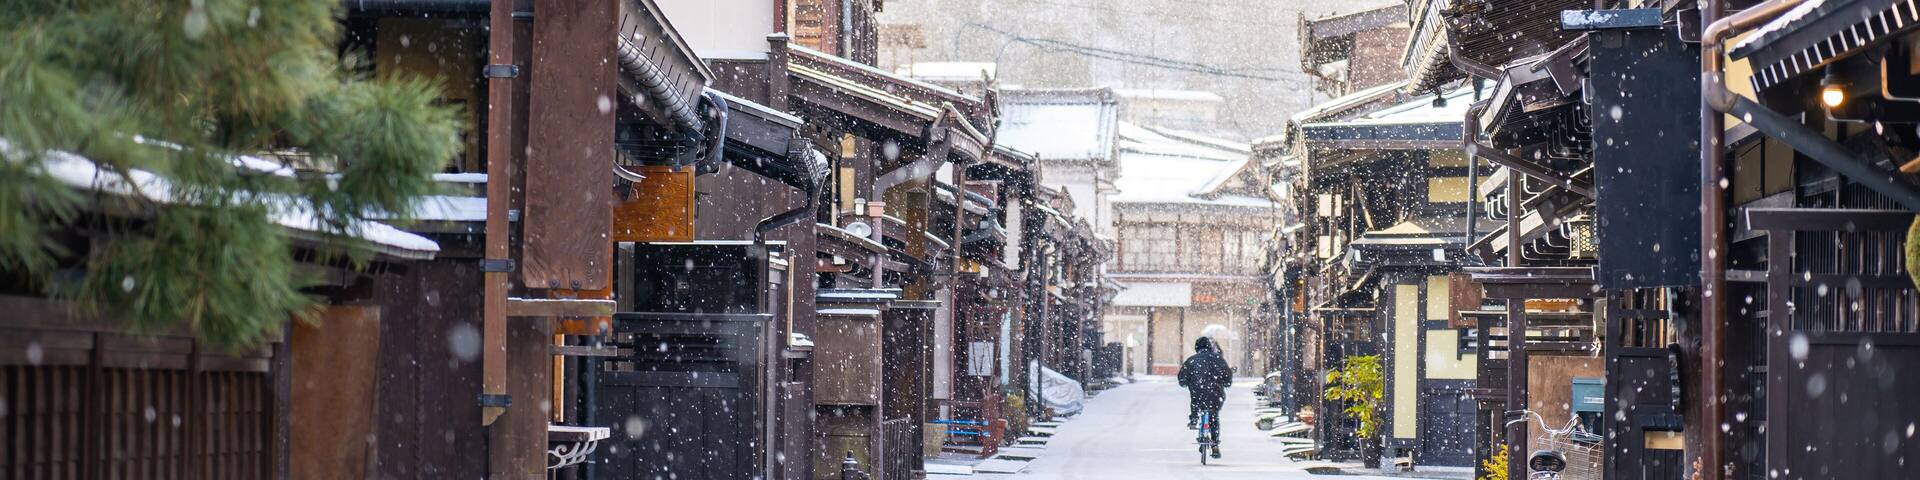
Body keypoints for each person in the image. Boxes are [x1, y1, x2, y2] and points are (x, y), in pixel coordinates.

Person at [1177, 337, 1232, 458]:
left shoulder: (1191, 361)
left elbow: (1181, 378)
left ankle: (1194, 418)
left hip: (1198, 394)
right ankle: (1214, 444)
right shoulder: (1218, 359)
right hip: (1215, 395)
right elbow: (1228, 378)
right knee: (1213, 415)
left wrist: (1185, 382)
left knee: (1196, 400)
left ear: (1197, 347)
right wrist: (1225, 382)